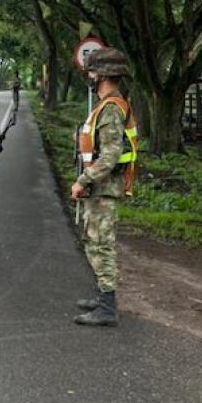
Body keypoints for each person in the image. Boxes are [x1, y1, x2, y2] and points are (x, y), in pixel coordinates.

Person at [71, 48, 139, 327]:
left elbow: (110, 155)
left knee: (102, 244)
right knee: (93, 242)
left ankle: (108, 307)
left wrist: (83, 180)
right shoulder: (106, 105)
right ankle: (102, 296)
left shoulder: (111, 108)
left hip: (103, 188)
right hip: (99, 188)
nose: (88, 76)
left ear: (102, 75)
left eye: (91, 71)